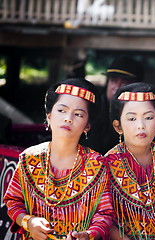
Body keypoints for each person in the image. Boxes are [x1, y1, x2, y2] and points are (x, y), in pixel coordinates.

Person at [4, 78, 114, 240]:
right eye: (61, 110)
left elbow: (104, 214)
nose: (68, 118)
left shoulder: (97, 164)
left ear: (87, 126)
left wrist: (89, 235)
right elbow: (13, 202)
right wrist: (29, 222)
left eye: (78, 114)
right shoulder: (29, 159)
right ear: (49, 116)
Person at [104, 82, 155, 240]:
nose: (141, 125)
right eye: (131, 118)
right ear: (118, 127)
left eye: (148, 117)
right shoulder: (107, 163)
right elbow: (105, 219)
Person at [86, 55, 144, 154]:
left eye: (124, 82)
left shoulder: (144, 116)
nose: (117, 87)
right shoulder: (92, 110)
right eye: (113, 81)